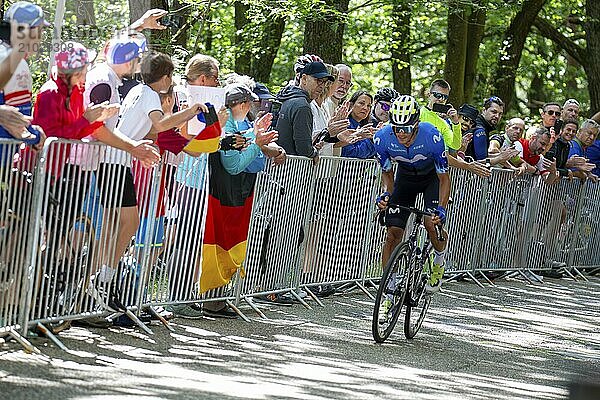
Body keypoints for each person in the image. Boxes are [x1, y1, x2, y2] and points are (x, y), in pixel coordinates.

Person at [89, 52, 208, 310]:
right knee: (129, 224)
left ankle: (102, 280)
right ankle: (102, 278)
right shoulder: (150, 95)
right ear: (165, 77)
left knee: (115, 226)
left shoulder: (137, 91)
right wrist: (190, 112)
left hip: (116, 161)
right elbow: (162, 125)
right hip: (116, 162)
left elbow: (161, 132)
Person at [374, 95, 450, 297]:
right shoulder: (382, 138)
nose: (401, 133)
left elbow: (444, 179)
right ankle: (388, 292)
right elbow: (387, 174)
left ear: (416, 125)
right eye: (396, 128)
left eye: (406, 128)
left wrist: (441, 208)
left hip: (431, 180)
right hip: (405, 179)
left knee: (430, 223)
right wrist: (386, 194)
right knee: (392, 234)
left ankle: (439, 260)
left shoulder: (432, 136)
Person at [276, 61, 333, 158]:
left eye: (325, 82)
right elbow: (303, 148)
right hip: (290, 168)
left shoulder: (287, 98)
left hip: (276, 165)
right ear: (304, 79)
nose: (322, 86)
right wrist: (313, 153)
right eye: (318, 80)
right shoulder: (302, 106)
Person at [340, 90, 377, 159]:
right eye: (361, 103)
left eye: (368, 106)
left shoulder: (361, 127)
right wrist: (371, 141)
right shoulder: (344, 124)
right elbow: (350, 153)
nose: (365, 108)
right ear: (351, 105)